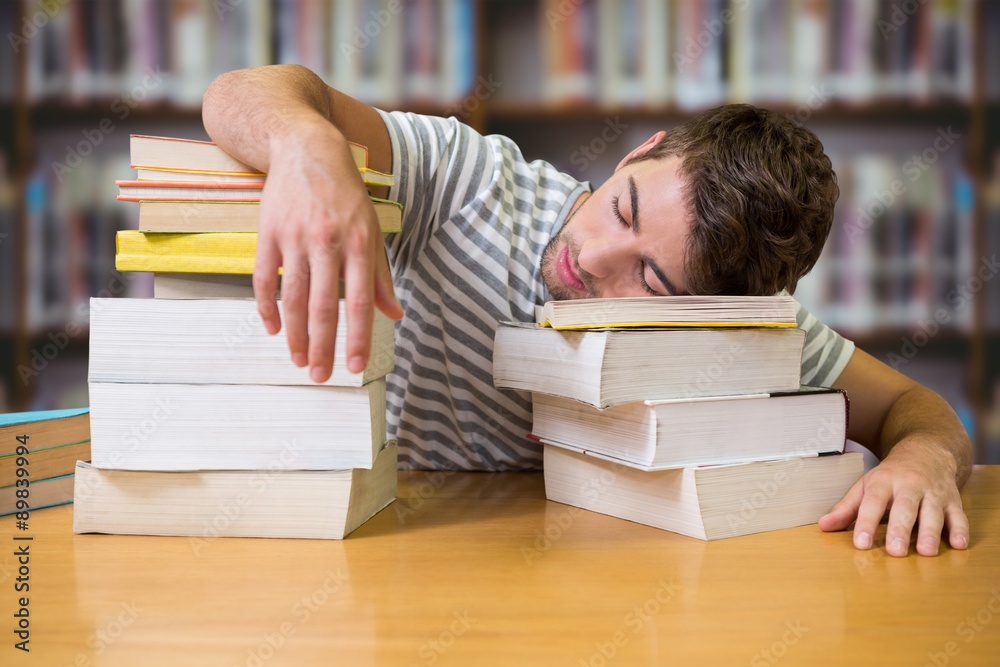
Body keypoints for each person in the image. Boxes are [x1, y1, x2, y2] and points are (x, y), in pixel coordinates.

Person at [202, 64, 971, 558]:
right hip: (384, 546)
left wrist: (923, 458)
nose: (592, 257)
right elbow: (240, 90)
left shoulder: (741, 333)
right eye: (625, 208)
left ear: (717, 315)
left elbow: (915, 407)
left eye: (651, 280)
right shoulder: (472, 182)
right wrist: (309, 147)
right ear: (642, 150)